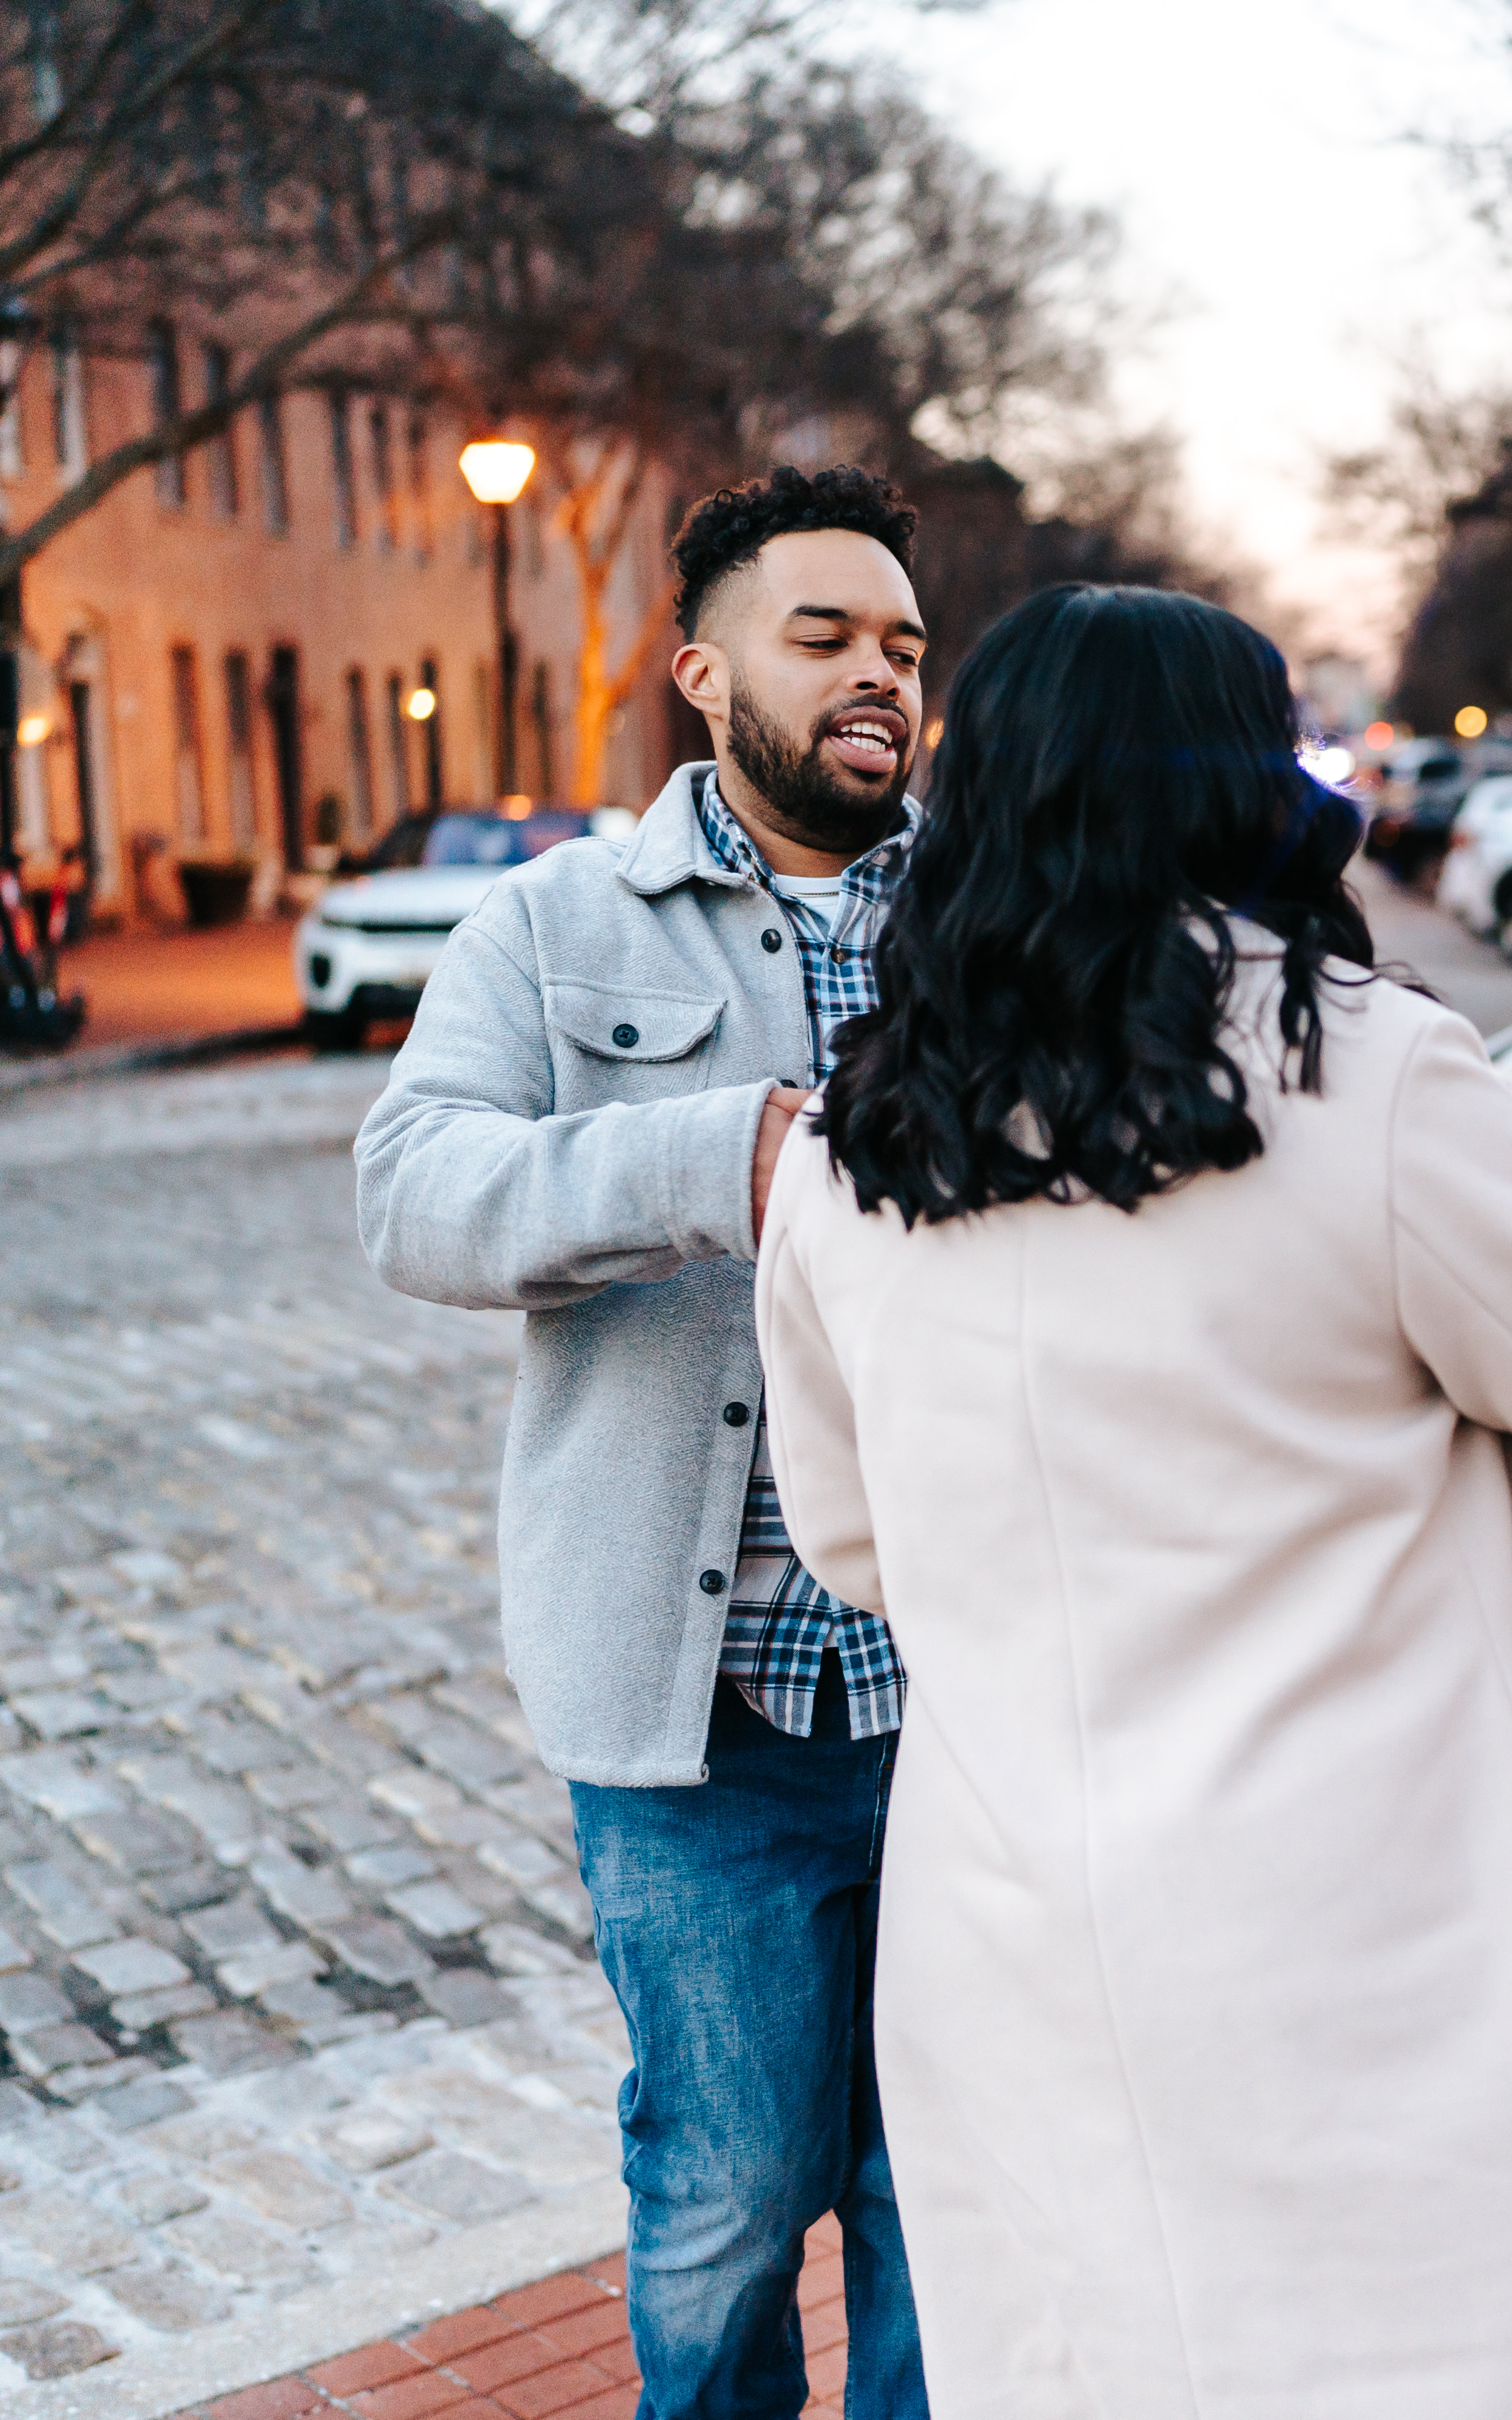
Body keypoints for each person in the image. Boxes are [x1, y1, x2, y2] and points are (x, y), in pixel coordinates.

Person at [750, 583, 1512, 2419]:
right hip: (1381, 1911)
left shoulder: (861, 1136)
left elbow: (849, 1540)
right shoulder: (1364, 1068)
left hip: (1020, 1912)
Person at [356, 463, 935, 2417]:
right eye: (828, 637)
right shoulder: (551, 923)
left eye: (905, 647)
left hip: (978, 1695)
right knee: (730, 2195)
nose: (881, 678)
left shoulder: (998, 922)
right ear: (701, 671)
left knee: (945, 2181)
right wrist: (711, 1156)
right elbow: (413, 1195)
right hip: (706, 1725)